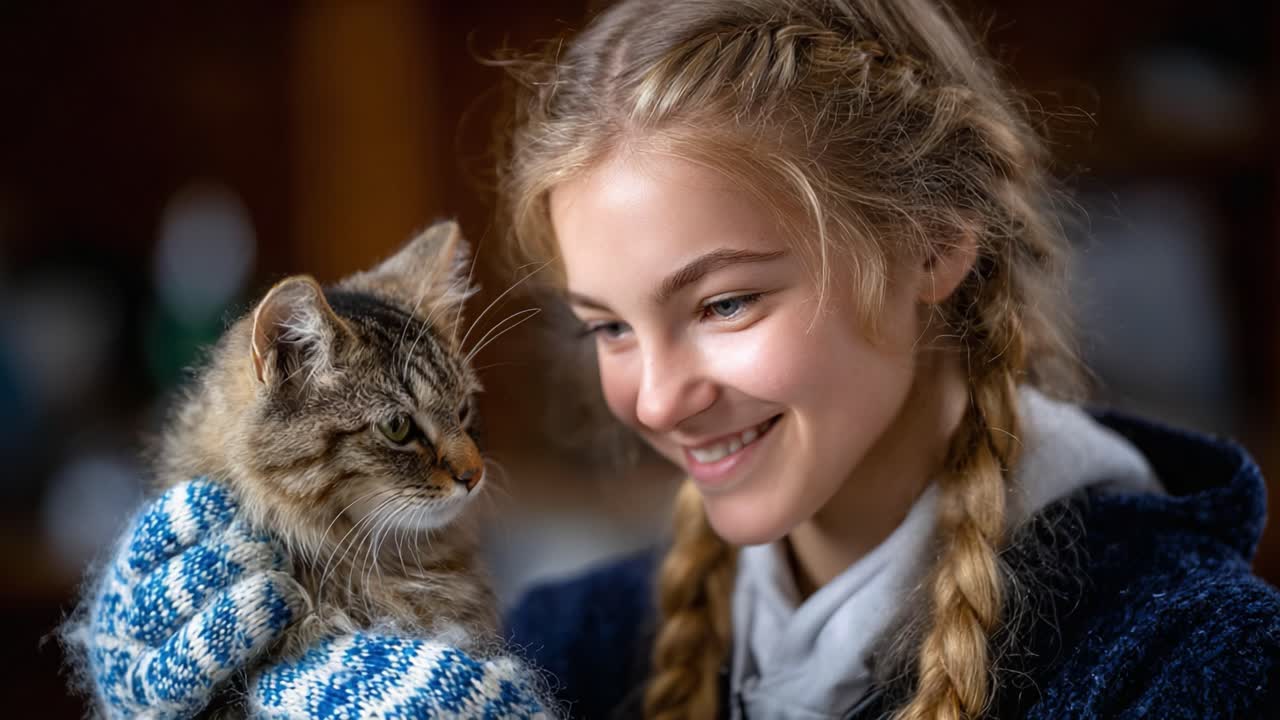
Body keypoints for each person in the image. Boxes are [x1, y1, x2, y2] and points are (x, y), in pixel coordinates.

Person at [69, 0, 1280, 718]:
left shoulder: (1189, 660)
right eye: (603, 325)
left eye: (726, 302)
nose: (652, 396)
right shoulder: (573, 646)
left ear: (931, 245)